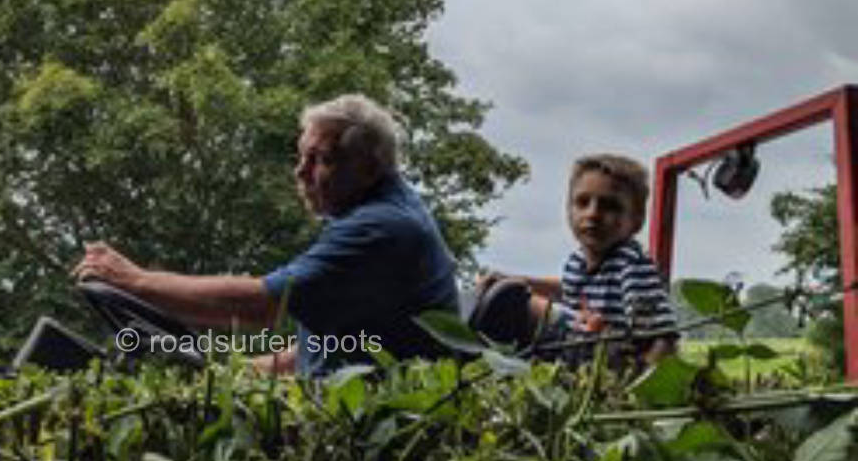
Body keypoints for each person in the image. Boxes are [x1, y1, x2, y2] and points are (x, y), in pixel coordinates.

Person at [71, 94, 461, 376]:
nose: (300, 172)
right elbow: (336, 341)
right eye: (300, 157)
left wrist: (133, 281)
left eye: (321, 160)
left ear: (369, 166)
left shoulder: (378, 229)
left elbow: (262, 307)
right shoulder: (378, 214)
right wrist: (239, 371)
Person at [475, 154, 677, 367]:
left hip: (611, 361)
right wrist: (519, 280)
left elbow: (664, 336)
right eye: (582, 202)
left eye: (610, 206)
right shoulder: (577, 261)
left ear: (637, 220)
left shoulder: (632, 266)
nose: (593, 214)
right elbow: (568, 290)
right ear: (568, 211)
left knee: (510, 300)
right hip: (579, 353)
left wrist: (640, 383)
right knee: (509, 293)